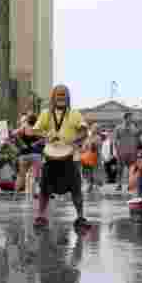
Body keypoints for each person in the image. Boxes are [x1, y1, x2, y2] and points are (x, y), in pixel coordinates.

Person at [32, 85, 90, 229]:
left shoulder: (75, 114)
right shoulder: (46, 113)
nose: (61, 97)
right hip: (50, 157)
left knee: (76, 189)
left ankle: (80, 217)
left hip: (71, 157)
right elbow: (36, 131)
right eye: (58, 95)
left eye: (64, 95)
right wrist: (46, 135)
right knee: (45, 188)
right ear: (53, 97)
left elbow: (84, 131)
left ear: (68, 97)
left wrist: (76, 140)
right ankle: (41, 216)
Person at [14, 112, 44, 195]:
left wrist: (21, 143)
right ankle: (33, 193)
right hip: (35, 154)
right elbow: (44, 138)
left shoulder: (23, 127)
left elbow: (14, 134)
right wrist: (36, 143)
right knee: (34, 176)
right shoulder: (38, 128)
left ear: (28, 119)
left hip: (24, 155)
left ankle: (15, 194)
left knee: (21, 176)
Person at [113, 112, 140, 192]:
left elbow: (137, 138)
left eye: (131, 117)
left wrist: (136, 149)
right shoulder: (118, 127)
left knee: (131, 169)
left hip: (132, 151)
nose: (131, 119)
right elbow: (115, 140)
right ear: (125, 118)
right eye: (129, 117)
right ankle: (119, 184)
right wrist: (117, 150)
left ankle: (130, 184)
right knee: (120, 169)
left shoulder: (134, 127)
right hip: (121, 151)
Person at [81, 124, 100, 192]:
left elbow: (96, 148)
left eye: (96, 128)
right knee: (88, 171)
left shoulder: (97, 138)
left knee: (92, 171)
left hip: (94, 156)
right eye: (93, 128)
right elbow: (84, 147)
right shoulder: (88, 137)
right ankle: (90, 184)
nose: (94, 130)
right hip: (87, 156)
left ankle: (92, 185)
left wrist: (92, 145)